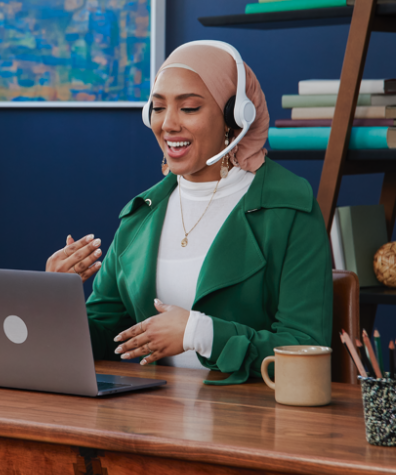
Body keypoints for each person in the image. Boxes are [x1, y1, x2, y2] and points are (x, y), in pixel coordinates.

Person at [47, 40, 332, 384]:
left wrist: (200, 332)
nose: (168, 124)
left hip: (249, 424)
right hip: (148, 419)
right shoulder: (141, 215)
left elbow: (306, 347)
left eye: (190, 108)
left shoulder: (290, 208)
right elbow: (110, 340)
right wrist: (57, 300)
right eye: (158, 107)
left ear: (235, 117)